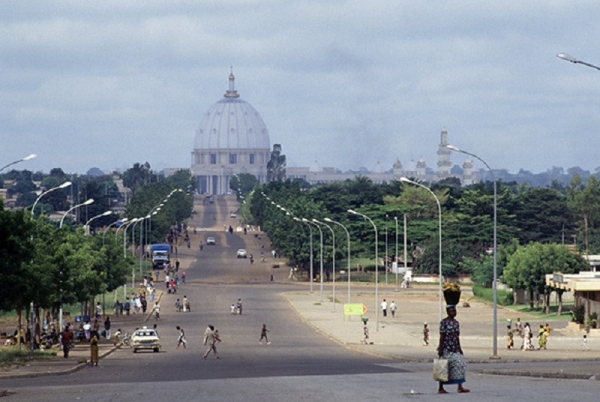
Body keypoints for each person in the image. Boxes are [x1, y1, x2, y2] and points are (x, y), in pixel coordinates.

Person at [437, 305, 469, 394]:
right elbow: (442, 336)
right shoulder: (444, 322)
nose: (454, 313)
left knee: (461, 364)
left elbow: (457, 336)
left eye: (455, 311)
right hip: (446, 348)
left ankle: (460, 386)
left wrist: (460, 348)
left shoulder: (456, 323)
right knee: (444, 367)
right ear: (447, 312)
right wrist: (440, 348)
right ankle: (441, 387)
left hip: (455, 348)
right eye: (452, 311)